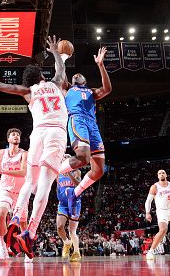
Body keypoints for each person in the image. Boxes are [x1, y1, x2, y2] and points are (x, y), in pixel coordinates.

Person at [0, 35, 67, 259]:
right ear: (42, 76)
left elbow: (0, 86)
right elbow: (60, 70)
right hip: (56, 134)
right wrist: (55, 53)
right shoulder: (55, 84)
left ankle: (16, 216)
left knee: (30, 181)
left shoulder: (28, 92)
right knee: (45, 183)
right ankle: (30, 231)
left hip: (37, 134)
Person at [58, 47, 111, 216]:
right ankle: (53, 169)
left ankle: (75, 193)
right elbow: (60, 73)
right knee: (83, 157)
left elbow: (108, 89)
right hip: (77, 120)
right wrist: (62, 59)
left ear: (85, 80)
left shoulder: (91, 92)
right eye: (74, 75)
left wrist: (101, 65)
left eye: (79, 75)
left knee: (99, 171)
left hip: (92, 125)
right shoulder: (67, 88)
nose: (76, 75)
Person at [0, 127, 28, 260]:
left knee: (23, 224)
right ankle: (3, 250)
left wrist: (3, 171)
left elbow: (23, 172)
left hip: (21, 192)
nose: (16, 136)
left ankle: (27, 251)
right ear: (8, 139)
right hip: (6, 190)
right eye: (13, 134)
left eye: (18, 134)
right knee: (1, 214)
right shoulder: (2, 152)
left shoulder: (24, 154)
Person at [56, 154, 82, 262]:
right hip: (62, 204)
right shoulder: (58, 173)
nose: (65, 158)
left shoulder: (76, 171)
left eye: (67, 157)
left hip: (74, 203)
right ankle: (66, 242)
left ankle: (76, 253)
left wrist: (70, 175)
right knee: (59, 227)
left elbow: (79, 185)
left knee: (72, 231)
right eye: (63, 157)